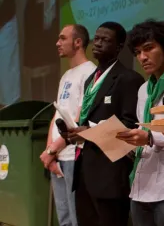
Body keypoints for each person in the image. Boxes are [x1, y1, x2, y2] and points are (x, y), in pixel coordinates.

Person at [64, 21, 145, 226]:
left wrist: (90, 131)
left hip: (110, 176)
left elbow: (129, 125)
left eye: (105, 40)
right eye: (97, 38)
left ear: (118, 47)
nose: (97, 43)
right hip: (84, 173)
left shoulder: (129, 79)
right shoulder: (92, 78)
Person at [116, 20, 164, 226]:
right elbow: (142, 128)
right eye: (138, 52)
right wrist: (128, 142)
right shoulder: (143, 89)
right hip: (140, 183)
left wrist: (148, 138)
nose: (142, 57)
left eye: (148, 49)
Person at [39, 24, 95, 226]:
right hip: (58, 156)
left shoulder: (90, 73)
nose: (57, 43)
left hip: (74, 155)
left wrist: (53, 149)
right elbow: (57, 115)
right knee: (64, 220)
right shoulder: (65, 76)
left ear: (78, 42)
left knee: (76, 218)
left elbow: (80, 120)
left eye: (62, 38)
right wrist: (50, 153)